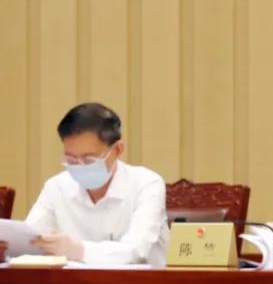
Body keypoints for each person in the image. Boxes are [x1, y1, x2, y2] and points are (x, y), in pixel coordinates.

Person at [0, 102, 168, 266]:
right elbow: (31, 240)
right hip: (72, 283)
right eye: (71, 160)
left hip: (139, 283)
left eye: (89, 159)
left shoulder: (147, 184)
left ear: (117, 149)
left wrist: (77, 249)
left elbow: (136, 251)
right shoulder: (57, 186)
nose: (80, 167)